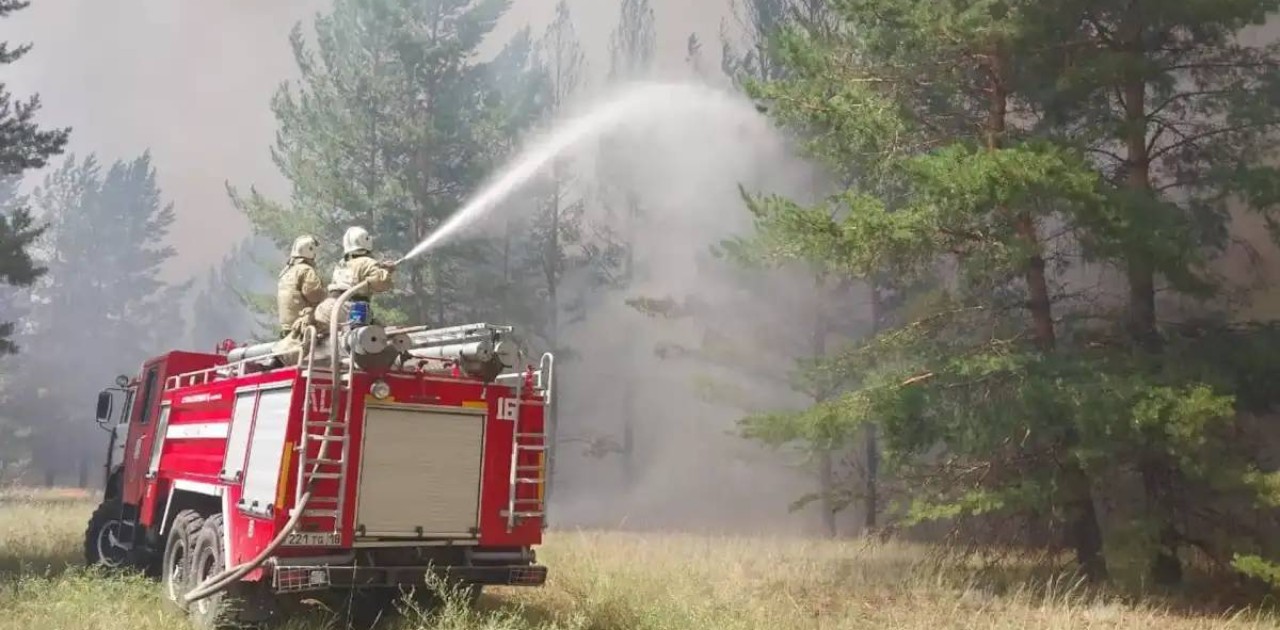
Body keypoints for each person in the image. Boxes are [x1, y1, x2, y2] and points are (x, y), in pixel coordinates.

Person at [314, 226, 396, 330]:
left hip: (325, 309)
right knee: (376, 338)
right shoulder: (367, 262)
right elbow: (381, 283)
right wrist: (388, 271)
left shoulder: (341, 263)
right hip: (348, 310)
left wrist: (379, 268)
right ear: (366, 241)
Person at [275, 235, 326, 338]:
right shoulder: (306, 270)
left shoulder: (286, 273)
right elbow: (315, 295)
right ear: (310, 250)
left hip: (287, 329)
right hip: (302, 327)